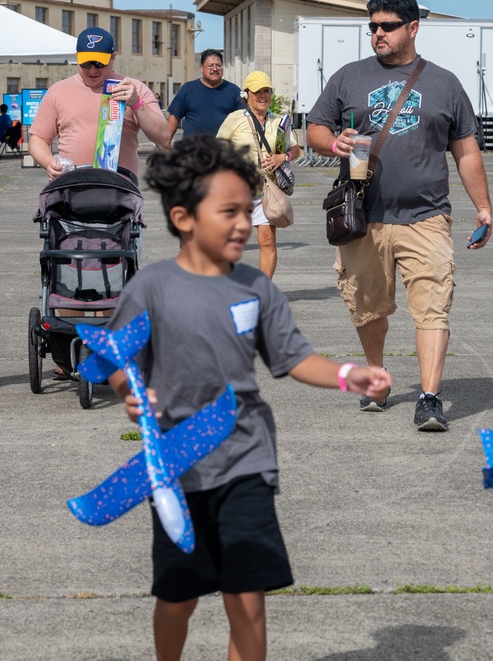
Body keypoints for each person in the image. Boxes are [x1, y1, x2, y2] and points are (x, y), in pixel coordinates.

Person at [103, 135, 391, 661]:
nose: (244, 223)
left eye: (248, 210)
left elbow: (294, 359)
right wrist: (131, 390)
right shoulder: (151, 288)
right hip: (178, 466)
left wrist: (352, 372)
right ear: (185, 217)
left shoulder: (255, 290)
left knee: (248, 601)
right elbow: (114, 361)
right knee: (177, 599)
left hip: (246, 461)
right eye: (229, 211)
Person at [305, 0, 493, 431]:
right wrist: (334, 143)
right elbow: (315, 127)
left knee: (432, 307)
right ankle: (377, 377)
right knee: (368, 307)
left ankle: (429, 398)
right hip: (363, 216)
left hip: (426, 217)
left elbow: (466, 152)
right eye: (372, 26)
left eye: (387, 26)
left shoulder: (445, 84)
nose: (378, 34)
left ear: (413, 28)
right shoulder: (348, 77)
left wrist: (483, 207)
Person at [29, 27, 170, 183]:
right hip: (71, 187)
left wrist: (137, 104)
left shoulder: (133, 88)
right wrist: (49, 162)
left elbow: (162, 136)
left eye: (99, 63)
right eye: (86, 63)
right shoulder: (57, 91)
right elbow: (38, 139)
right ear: (77, 58)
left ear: (113, 58)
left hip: (120, 188)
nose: (92, 70)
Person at [216, 71, 302, 280]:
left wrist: (283, 158)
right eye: (257, 92)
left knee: (267, 240)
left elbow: (297, 149)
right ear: (246, 95)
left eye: (267, 91)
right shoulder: (235, 119)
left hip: (265, 190)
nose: (263, 96)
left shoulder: (279, 122)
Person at [167, 49, 244, 144]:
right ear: (201, 68)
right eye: (210, 65)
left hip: (223, 152)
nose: (215, 69)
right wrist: (166, 143)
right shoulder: (188, 89)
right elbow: (174, 117)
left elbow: (244, 121)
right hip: (192, 151)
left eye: (218, 65)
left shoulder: (234, 91)